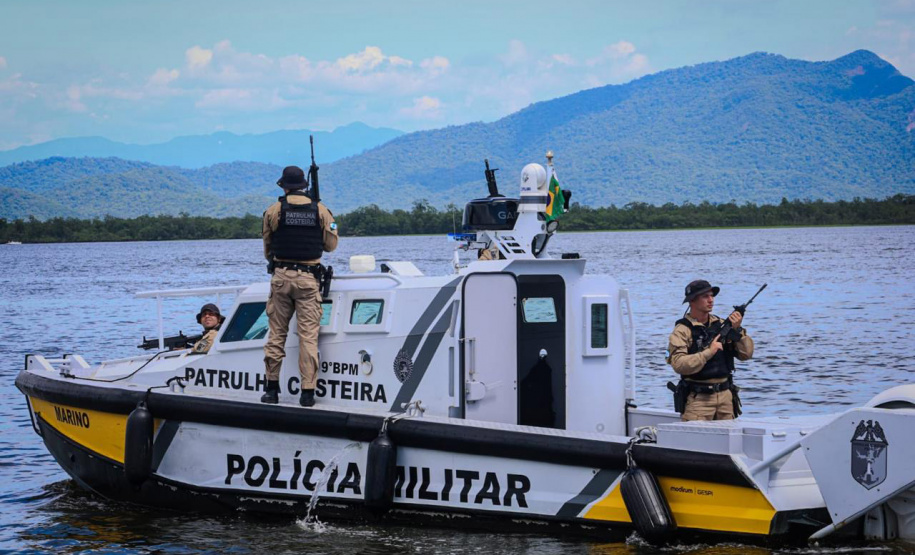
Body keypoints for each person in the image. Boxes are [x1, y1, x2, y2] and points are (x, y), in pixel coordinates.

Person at [261, 166, 338, 406]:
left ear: (284, 186)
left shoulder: (274, 211)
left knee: (276, 335)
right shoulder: (321, 211)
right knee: (307, 338)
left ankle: (271, 390)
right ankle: (307, 393)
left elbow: (268, 247)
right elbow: (331, 245)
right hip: (308, 279)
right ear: (304, 186)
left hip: (281, 277)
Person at [666, 280, 754, 421]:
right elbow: (679, 364)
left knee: (729, 441)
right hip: (699, 400)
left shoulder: (721, 324)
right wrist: (708, 352)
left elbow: (746, 354)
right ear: (692, 301)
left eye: (712, 295)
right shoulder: (682, 330)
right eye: (705, 296)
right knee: (697, 440)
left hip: (726, 397)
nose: (711, 300)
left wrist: (737, 330)